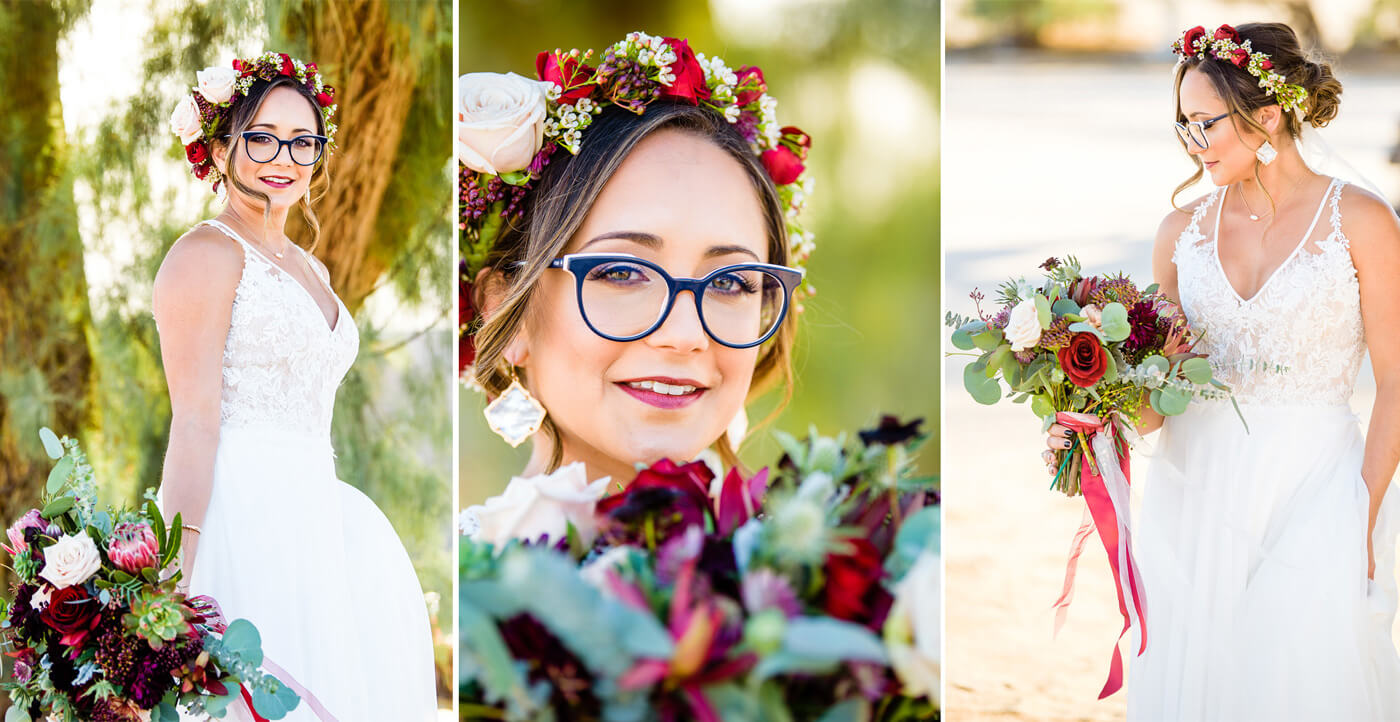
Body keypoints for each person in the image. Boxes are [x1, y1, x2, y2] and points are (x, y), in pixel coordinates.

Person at [1042, 22, 1400, 719]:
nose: (1190, 142)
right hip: (1195, 492)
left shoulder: (1362, 221)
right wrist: (1091, 419)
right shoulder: (1180, 237)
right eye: (1182, 124)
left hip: (1318, 486)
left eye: (1203, 123)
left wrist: (1362, 519)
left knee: (1300, 674)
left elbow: (1397, 384)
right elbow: (1154, 408)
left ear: (1267, 115)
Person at [153, 52, 436, 720]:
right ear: (220, 149)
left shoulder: (308, 264)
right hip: (243, 516)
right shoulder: (204, 256)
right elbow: (193, 424)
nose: (284, 156)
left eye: (303, 140)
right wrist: (168, 579)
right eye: (262, 137)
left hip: (319, 516)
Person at [458, 33, 812, 504]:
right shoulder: (473, 574)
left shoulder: (821, 559)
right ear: (507, 309)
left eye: (730, 282)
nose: (685, 333)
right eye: (623, 273)